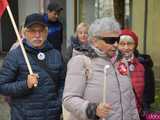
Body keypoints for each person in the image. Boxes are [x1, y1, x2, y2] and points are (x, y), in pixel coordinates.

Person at [63, 17, 139, 120]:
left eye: (117, 39)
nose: (116, 44)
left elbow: (130, 101)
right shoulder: (81, 61)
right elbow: (69, 99)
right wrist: (93, 110)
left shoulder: (122, 61)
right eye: (110, 40)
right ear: (95, 41)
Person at [0, 13, 65, 120]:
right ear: (25, 33)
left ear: (46, 32)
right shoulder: (15, 55)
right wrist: (25, 84)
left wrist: (58, 104)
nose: (37, 35)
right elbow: (2, 86)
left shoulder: (56, 54)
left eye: (41, 31)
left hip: (52, 115)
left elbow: (63, 83)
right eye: (32, 31)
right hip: (24, 116)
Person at [118, 29, 144, 117]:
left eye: (129, 44)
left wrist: (145, 110)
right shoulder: (111, 65)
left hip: (136, 113)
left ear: (135, 46)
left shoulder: (142, 66)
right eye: (122, 44)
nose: (126, 48)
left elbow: (148, 93)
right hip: (118, 114)